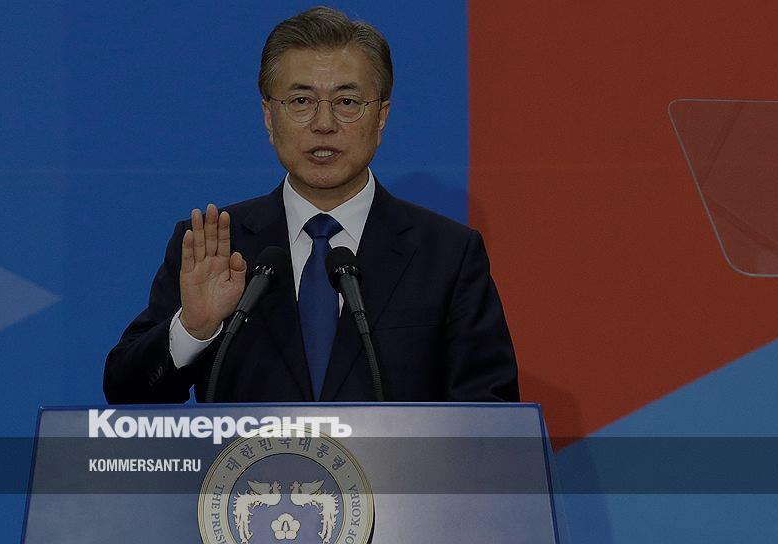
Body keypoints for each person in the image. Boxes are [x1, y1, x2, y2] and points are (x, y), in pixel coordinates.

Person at [103, 7, 518, 403]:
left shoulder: (446, 255)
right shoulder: (216, 246)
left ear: (381, 118)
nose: (323, 123)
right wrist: (194, 329)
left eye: (347, 102)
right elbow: (127, 394)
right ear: (269, 118)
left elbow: (490, 417)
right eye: (301, 101)